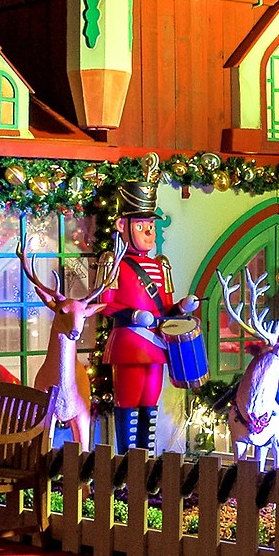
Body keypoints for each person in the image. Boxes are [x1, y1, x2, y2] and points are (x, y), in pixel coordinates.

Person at [100, 178, 194, 452]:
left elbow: (165, 309)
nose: (148, 232)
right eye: (141, 226)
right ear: (122, 226)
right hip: (129, 343)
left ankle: (146, 458)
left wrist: (183, 307)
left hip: (155, 345)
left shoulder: (160, 265)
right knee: (127, 401)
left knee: (150, 403)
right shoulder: (113, 263)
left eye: (150, 226)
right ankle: (126, 461)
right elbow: (105, 306)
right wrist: (133, 315)